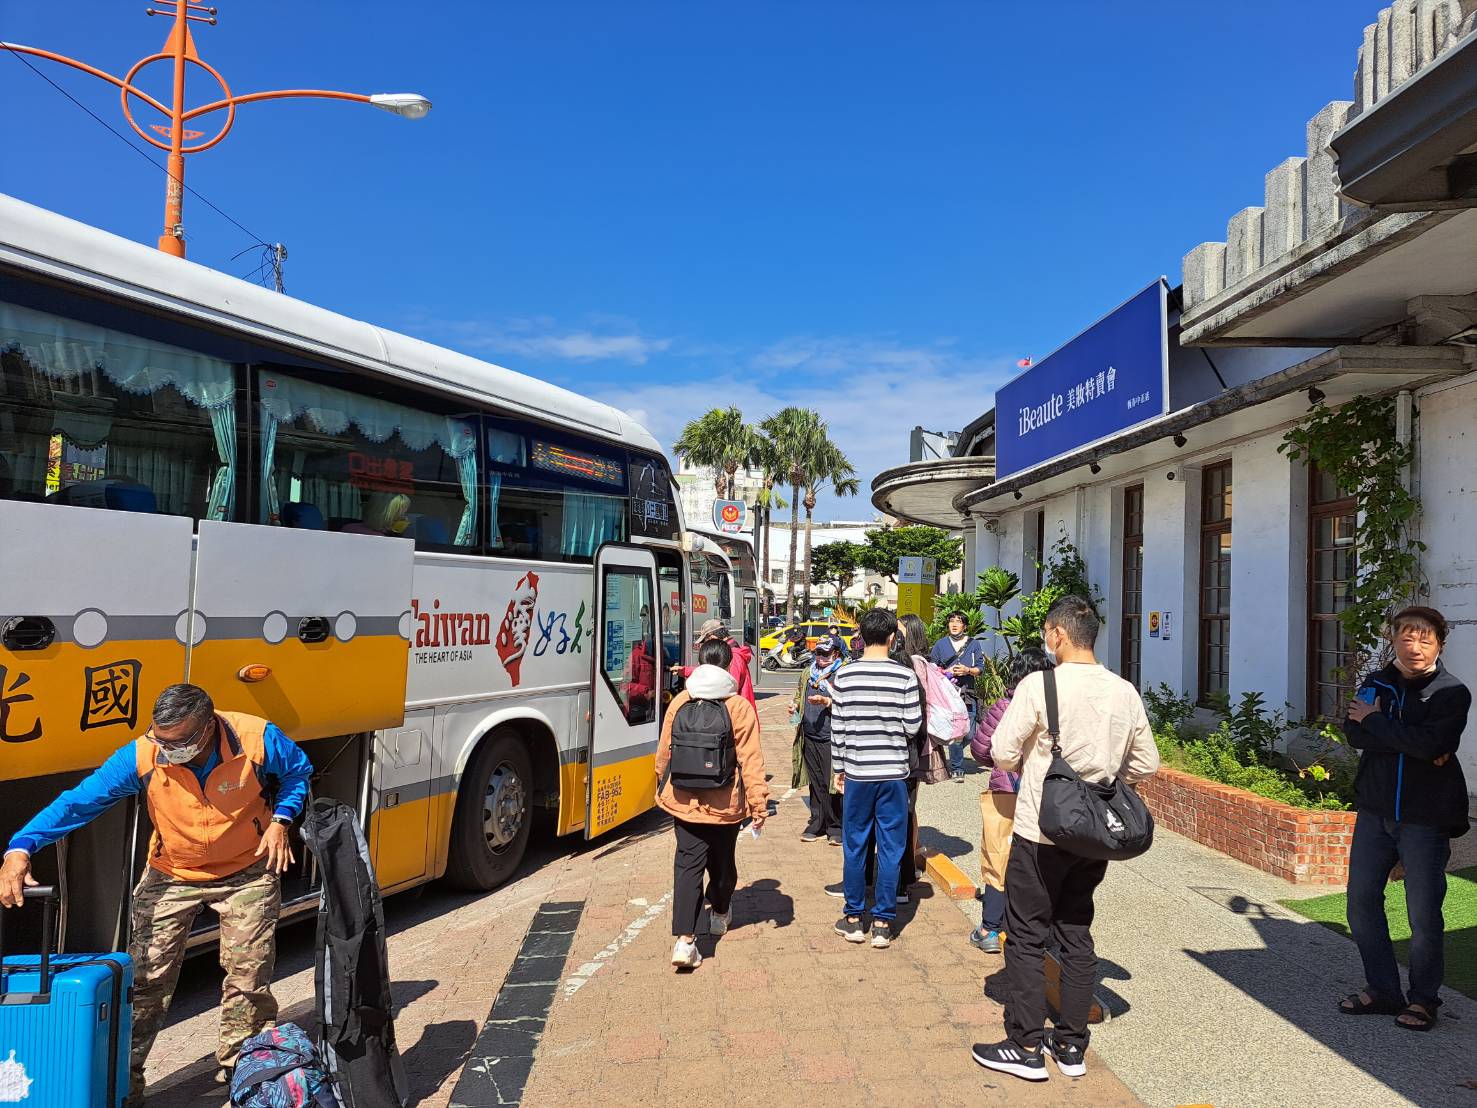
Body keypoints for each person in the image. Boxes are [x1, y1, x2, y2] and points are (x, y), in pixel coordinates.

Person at [0, 684, 313, 1095]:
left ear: (207, 728)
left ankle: (246, 1074)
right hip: (173, 871)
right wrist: (21, 847)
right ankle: (122, 1083)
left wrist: (281, 821)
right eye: (159, 739)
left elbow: (298, 772)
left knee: (248, 976)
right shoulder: (143, 754)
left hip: (246, 869)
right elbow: (77, 802)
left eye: (178, 743)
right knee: (146, 978)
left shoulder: (257, 738)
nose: (167, 750)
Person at [971, 595, 1158, 1082]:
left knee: (1027, 935)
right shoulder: (1123, 691)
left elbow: (1003, 751)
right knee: (1076, 930)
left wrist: (1041, 760)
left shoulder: (1040, 684)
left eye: (1046, 633)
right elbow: (1145, 764)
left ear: (1056, 634)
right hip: (1091, 834)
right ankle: (1071, 1045)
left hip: (1040, 829)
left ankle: (1026, 1045)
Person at [1338, 605, 1470, 1031]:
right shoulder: (1375, 683)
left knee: (1424, 913)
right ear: (1393, 640)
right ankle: (1383, 991)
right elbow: (1353, 733)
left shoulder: (1451, 692)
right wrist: (1411, 741)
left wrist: (1376, 720)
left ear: (1440, 643)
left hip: (1424, 817)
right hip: (1375, 812)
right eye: (1406, 638)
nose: (1415, 647)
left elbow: (1434, 744)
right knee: (1360, 902)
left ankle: (1424, 1000)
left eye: (1425, 639)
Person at [655, 638, 769, 970]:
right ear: (728, 665)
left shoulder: (681, 700)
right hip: (725, 803)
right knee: (722, 864)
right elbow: (751, 761)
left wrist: (659, 784)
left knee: (687, 867)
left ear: (701, 662)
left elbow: (664, 752)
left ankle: (685, 941)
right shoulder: (738, 707)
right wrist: (759, 804)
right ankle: (719, 912)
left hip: (683, 800)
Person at [830, 607, 922, 950]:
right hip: (893, 774)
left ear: (861, 636)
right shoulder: (905, 677)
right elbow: (912, 726)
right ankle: (883, 923)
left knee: (855, 845)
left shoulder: (845, 676)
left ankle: (854, 918)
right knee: (891, 847)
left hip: (857, 773)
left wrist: (839, 768)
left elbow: (838, 729)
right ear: (892, 637)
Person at [968, 647, 1053, 954]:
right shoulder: (1055, 708)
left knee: (998, 855)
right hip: (1045, 793)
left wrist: (1000, 764)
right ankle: (1041, 931)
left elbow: (980, 749)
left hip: (1007, 790)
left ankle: (990, 929)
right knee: (1041, 858)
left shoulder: (1004, 706)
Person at [792, 639, 844, 844]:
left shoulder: (841, 674)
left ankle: (835, 826)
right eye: (818, 653)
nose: (821, 658)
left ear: (836, 654)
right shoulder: (808, 673)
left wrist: (827, 702)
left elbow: (847, 704)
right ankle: (817, 822)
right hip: (809, 734)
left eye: (825, 654)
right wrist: (795, 707)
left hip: (831, 737)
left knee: (833, 783)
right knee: (815, 783)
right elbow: (799, 696)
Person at [931, 611, 988, 780]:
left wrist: (968, 670)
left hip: (967, 693)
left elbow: (980, 668)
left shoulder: (973, 644)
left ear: (965, 626)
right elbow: (932, 668)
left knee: (970, 733)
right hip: (948, 695)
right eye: (951, 621)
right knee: (957, 732)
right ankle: (957, 768)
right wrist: (946, 672)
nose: (954, 624)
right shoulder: (940, 644)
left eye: (958, 621)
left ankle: (954, 750)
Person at [672, 618, 756, 710]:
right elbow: (713, 670)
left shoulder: (733, 657)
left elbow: (727, 689)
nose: (704, 646)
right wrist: (685, 671)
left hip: (736, 713)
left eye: (705, 642)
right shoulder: (729, 653)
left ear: (712, 638)